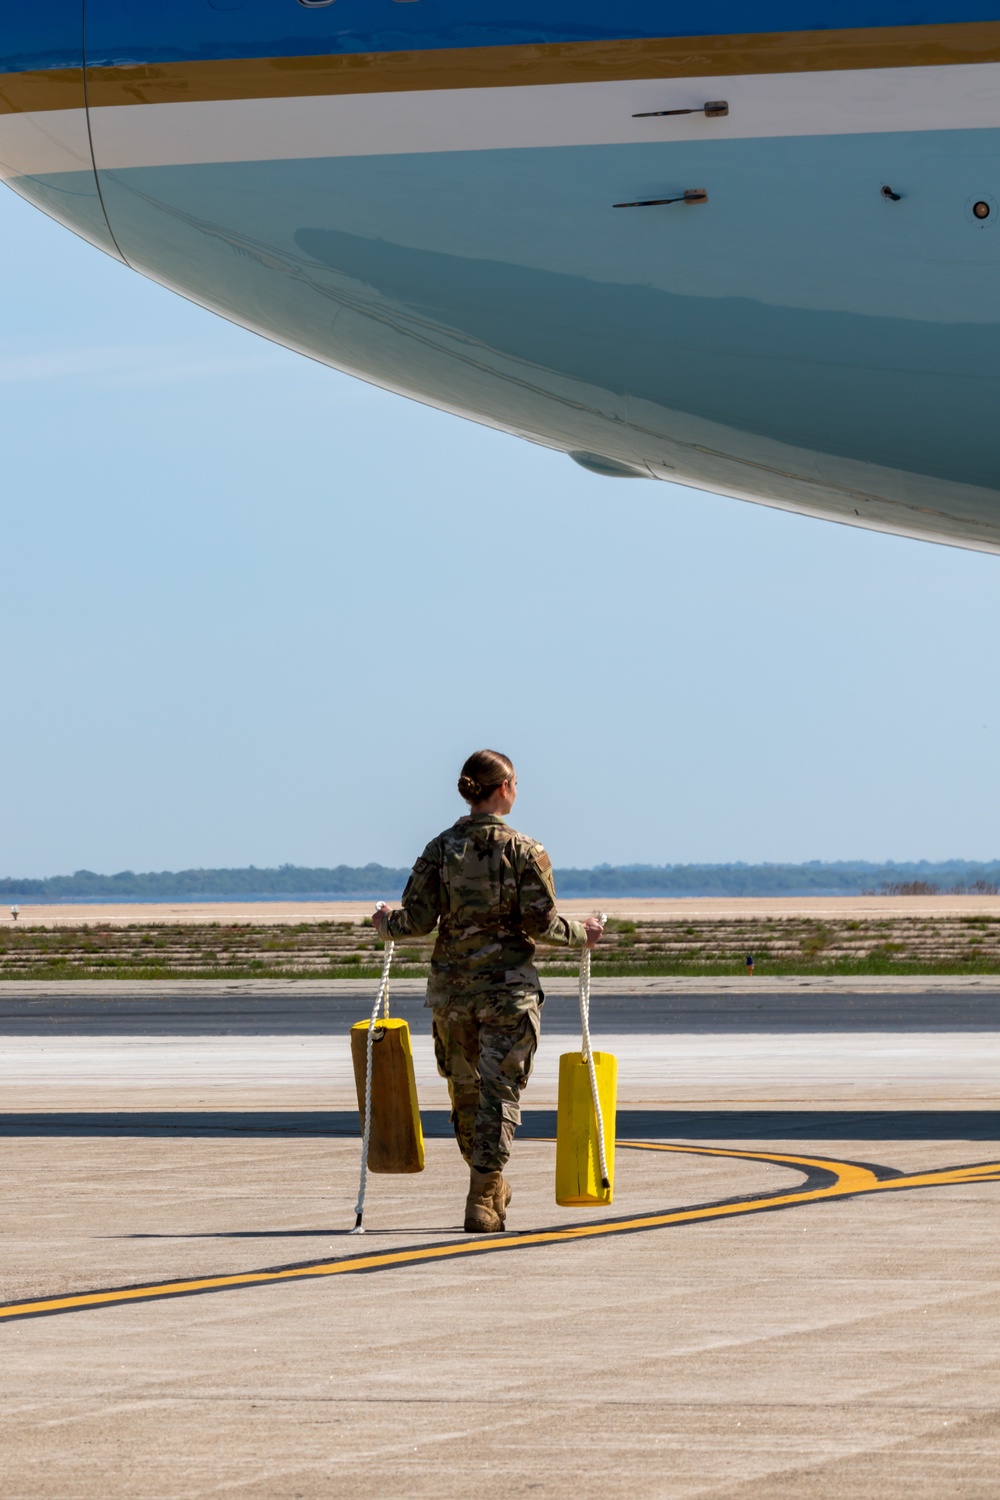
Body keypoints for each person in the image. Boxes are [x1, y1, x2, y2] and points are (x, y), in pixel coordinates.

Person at [372, 749, 602, 1233]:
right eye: (515, 782)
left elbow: (413, 921)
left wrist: (383, 923)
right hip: (507, 994)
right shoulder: (525, 851)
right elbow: (542, 923)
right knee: (499, 1093)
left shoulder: (439, 849)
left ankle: (487, 1186)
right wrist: (585, 933)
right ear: (503, 788)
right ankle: (484, 1190)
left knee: (465, 1094)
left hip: (453, 996)